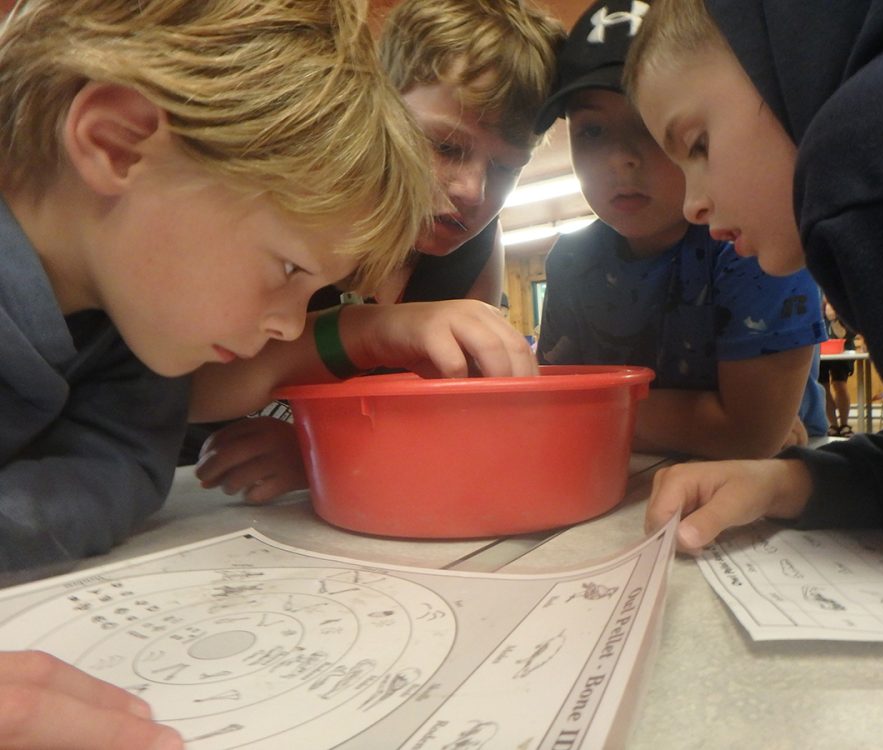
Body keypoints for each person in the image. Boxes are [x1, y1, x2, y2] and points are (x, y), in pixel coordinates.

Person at [0, 1, 534, 746]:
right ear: (119, 145)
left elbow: (121, 466)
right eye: (287, 268)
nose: (288, 324)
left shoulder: (130, 328)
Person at [625, 0, 883, 553]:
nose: (691, 207)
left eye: (699, 145)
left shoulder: (871, 148)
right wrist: (796, 481)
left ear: (785, 57)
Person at [191, 0, 564, 503]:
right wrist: (373, 334)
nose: (474, 191)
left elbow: (453, 411)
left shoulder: (477, 249)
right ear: (376, 110)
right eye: (445, 146)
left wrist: (329, 451)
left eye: (507, 169)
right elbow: (181, 389)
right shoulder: (295, 210)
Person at [534, 0, 827, 460]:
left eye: (650, 126)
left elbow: (750, 437)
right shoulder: (571, 261)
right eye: (591, 131)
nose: (620, 159)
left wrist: (588, 408)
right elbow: (548, 407)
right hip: (615, 481)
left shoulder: (750, 239)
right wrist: (719, 423)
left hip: (773, 491)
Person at [819, 295, 857, 437]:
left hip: (843, 349)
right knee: (823, 387)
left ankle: (845, 424)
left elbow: (843, 335)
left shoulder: (842, 303)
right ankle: (833, 425)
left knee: (839, 384)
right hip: (821, 350)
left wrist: (833, 319)